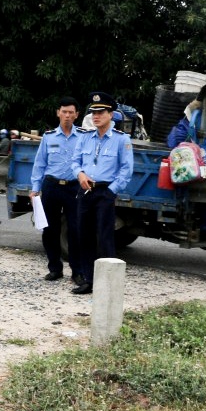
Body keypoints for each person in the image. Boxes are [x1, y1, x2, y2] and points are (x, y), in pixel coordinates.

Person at [71, 91, 134, 295]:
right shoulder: (85, 137)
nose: (96, 116)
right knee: (84, 236)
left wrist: (111, 191)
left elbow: (126, 170)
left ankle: (108, 284)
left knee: (105, 238)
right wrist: (80, 175)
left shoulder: (121, 139)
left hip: (105, 192)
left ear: (111, 114)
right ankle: (88, 280)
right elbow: (75, 161)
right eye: (94, 112)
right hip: (86, 191)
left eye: (101, 112)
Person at [30, 97, 83, 284]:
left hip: (74, 187)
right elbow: (40, 164)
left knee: (75, 230)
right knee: (50, 229)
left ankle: (77, 271)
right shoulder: (49, 137)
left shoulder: (84, 137)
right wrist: (35, 188)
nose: (67, 115)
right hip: (51, 186)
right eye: (64, 112)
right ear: (58, 113)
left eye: (71, 112)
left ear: (76, 115)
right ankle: (55, 268)